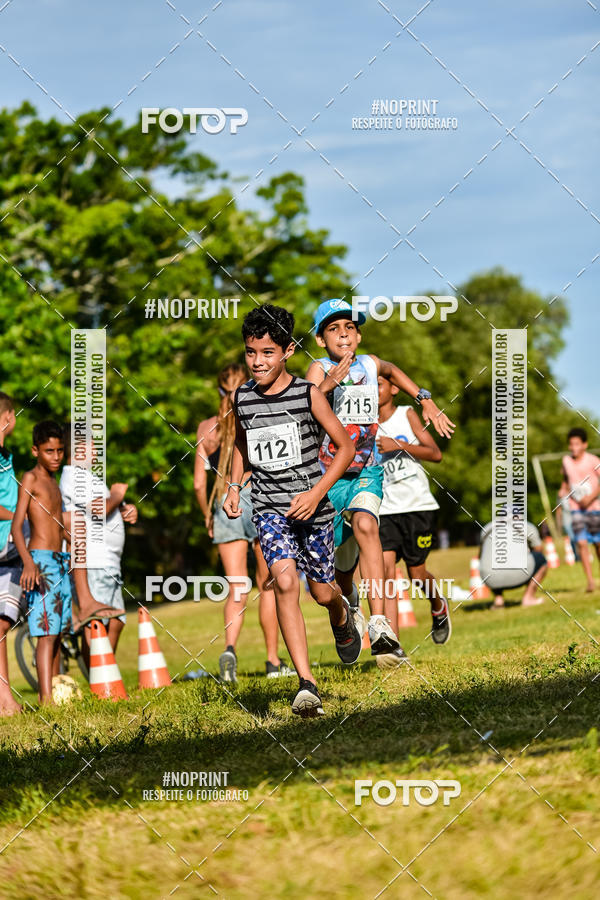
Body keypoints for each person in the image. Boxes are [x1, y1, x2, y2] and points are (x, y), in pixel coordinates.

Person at [223, 304, 359, 717]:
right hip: (269, 507)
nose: (257, 362)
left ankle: (341, 613)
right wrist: (234, 485)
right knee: (283, 582)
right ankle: (306, 684)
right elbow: (243, 446)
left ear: (287, 351)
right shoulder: (242, 397)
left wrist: (318, 493)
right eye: (250, 352)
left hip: (313, 507)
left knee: (321, 592)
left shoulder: (307, 394)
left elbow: (345, 447)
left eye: (266, 352)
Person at [305, 299, 455, 664]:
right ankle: (347, 613)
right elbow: (308, 402)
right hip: (329, 478)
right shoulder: (316, 368)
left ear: (358, 335)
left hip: (367, 471)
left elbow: (393, 368)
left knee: (367, 526)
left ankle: (380, 624)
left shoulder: (370, 364)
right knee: (340, 575)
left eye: (350, 328)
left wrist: (425, 399)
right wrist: (329, 383)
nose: (344, 333)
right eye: (333, 328)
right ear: (322, 340)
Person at [194, 364, 293, 682]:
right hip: (259, 496)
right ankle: (272, 661)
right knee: (267, 584)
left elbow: (199, 484)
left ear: (219, 390)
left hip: (225, 502)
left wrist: (208, 514)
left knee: (236, 587)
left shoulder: (206, 428)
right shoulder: (255, 417)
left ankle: (230, 650)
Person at [375, 373, 450, 665]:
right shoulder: (366, 422)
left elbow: (435, 453)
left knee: (416, 575)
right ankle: (393, 644)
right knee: (384, 572)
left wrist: (399, 445)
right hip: (386, 509)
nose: (374, 389)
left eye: (379, 384)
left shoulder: (406, 414)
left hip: (417, 506)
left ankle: (438, 605)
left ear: (394, 388)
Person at [60, 427, 134, 661]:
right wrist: (117, 495)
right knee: (98, 622)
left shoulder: (87, 477)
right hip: (93, 559)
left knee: (117, 620)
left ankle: (104, 675)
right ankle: (100, 682)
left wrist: (123, 511)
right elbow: (100, 508)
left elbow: (103, 509)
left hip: (108, 560)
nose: (96, 452)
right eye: (93, 447)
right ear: (79, 448)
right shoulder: (73, 476)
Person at [0, 392, 22, 715]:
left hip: (10, 549)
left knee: (2, 623)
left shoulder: (7, 456)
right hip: (8, 545)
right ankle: (5, 701)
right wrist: (23, 516)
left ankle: (5, 700)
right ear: (8, 419)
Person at [559, 427, 600, 591]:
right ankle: (590, 581)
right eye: (571, 444)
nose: (573, 447)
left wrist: (591, 497)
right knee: (581, 543)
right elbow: (565, 478)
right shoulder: (566, 461)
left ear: (584, 444)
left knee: (598, 543)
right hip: (576, 508)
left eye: (577, 444)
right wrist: (563, 489)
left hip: (594, 507)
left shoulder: (593, 460)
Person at [479, 519, 548, 607]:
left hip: (489, 578)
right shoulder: (526, 526)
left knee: (489, 564)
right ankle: (528, 597)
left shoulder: (486, 528)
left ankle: (498, 600)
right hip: (519, 574)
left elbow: (481, 556)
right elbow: (538, 549)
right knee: (540, 559)